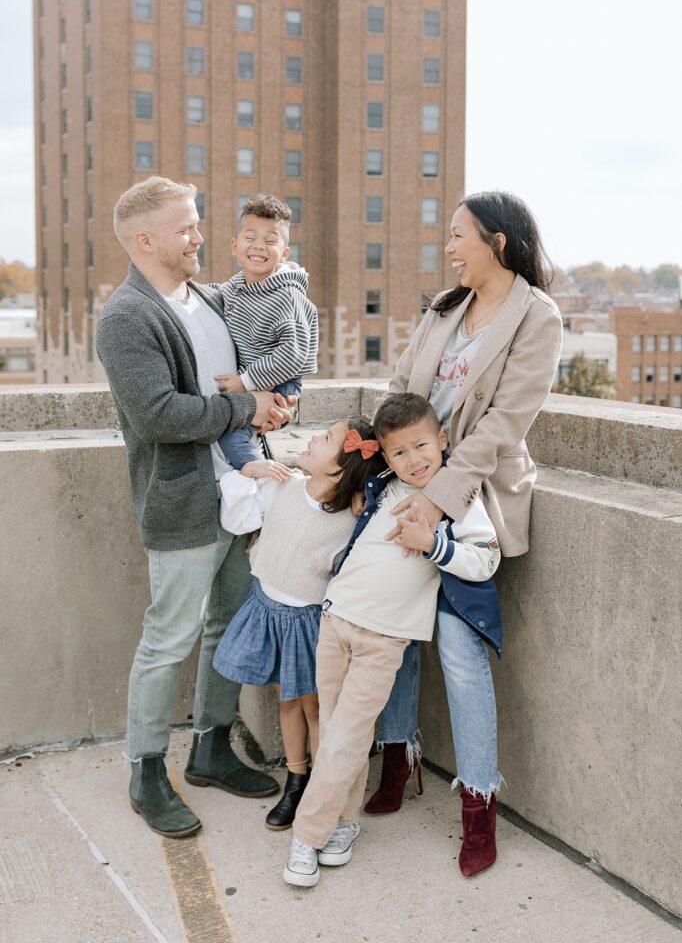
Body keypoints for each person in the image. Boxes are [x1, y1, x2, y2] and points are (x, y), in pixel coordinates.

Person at [367, 190, 563, 878]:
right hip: (406, 483)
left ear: (498, 241)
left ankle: (478, 802)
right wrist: (372, 454)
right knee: (387, 628)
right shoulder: (443, 307)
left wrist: (438, 502)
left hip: (473, 499)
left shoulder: (535, 318)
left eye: (458, 236)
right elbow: (399, 389)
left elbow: (504, 424)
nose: (447, 247)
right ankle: (399, 755)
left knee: (456, 648)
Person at [96, 175, 293, 839]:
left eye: (198, 222)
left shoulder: (208, 300)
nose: (199, 236)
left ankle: (210, 748)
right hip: (182, 504)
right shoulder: (127, 316)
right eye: (185, 227)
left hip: (240, 495)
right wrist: (246, 407)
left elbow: (256, 369)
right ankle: (146, 771)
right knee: (167, 640)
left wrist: (272, 404)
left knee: (226, 629)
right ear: (145, 239)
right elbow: (157, 415)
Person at [283, 394, 501, 888]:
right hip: (335, 619)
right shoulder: (381, 483)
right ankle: (342, 823)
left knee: (348, 733)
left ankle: (307, 835)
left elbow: (486, 560)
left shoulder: (456, 498)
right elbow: (337, 464)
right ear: (384, 453)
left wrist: (434, 546)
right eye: (399, 451)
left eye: (422, 446)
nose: (414, 460)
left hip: (385, 638)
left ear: (443, 440)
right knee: (338, 730)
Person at [211, 419, 386, 831]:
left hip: (310, 622)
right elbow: (238, 520)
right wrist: (248, 472)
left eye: (325, 439)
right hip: (268, 609)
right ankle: (296, 776)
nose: (311, 439)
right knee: (286, 698)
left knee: (316, 706)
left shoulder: (350, 520)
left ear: (340, 469)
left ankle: (322, 787)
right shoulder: (282, 486)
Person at [214, 194, 318, 470]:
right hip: (255, 376)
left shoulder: (287, 294)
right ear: (235, 246)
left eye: (270, 241)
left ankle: (261, 476)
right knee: (236, 430)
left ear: (284, 253)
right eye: (250, 238)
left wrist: (245, 383)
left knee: (233, 435)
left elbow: (293, 354)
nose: (259, 246)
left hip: (279, 380)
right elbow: (215, 295)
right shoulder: (236, 287)